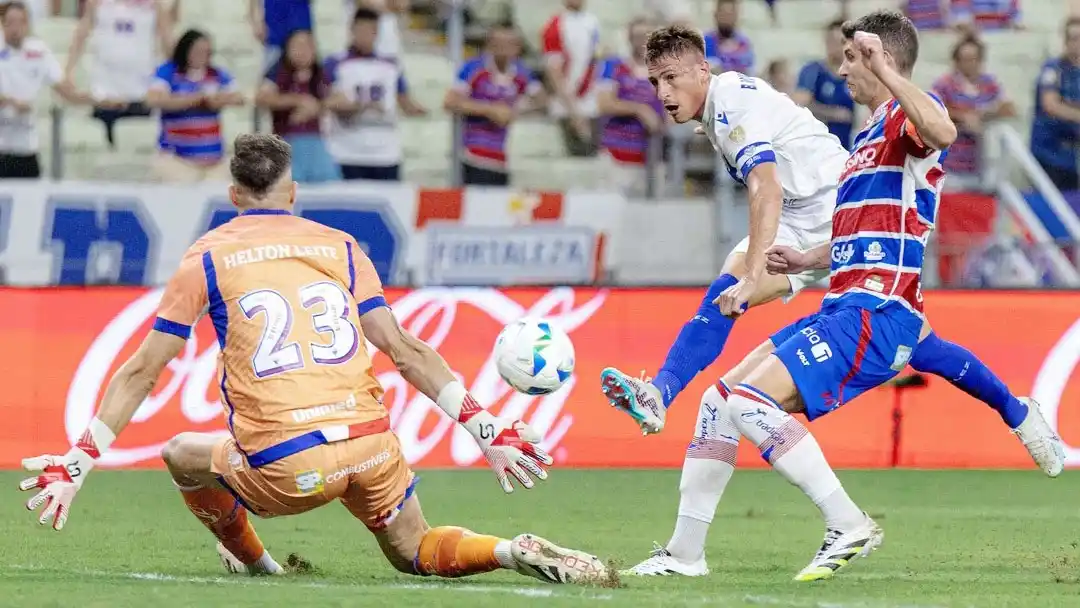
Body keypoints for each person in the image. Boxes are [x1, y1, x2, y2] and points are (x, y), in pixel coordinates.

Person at [17, 133, 609, 586]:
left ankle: (256, 565)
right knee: (414, 551)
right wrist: (489, 430)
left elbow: (143, 371)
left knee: (179, 454)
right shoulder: (342, 247)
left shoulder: (205, 258)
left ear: (232, 197)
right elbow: (405, 351)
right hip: (372, 446)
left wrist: (79, 461)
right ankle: (509, 550)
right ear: (293, 193)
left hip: (288, 467)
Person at [602, 17, 1065, 579]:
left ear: (880, 60)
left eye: (852, 57)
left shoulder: (906, 116)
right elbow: (855, 232)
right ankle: (684, 555)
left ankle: (847, 522)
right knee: (721, 403)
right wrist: (805, 260)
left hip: (876, 309)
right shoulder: (865, 142)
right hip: (850, 301)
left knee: (752, 400)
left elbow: (943, 133)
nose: (840, 68)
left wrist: (889, 72)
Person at [324, 7, 426, 182]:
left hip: (385, 152)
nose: (366, 36)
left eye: (371, 31)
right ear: (351, 30)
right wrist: (358, 106)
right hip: (347, 151)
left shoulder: (391, 64)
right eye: (361, 30)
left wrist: (421, 109)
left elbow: (403, 100)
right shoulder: (335, 63)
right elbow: (326, 101)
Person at [0, 1, 94, 179]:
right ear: (2, 23)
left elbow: (63, 87)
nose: (16, 28)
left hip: (27, 146)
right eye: (10, 22)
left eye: (21, 22)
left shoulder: (38, 51)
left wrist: (94, 99)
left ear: (28, 24)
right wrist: (10, 101)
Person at [63, 0, 175, 147]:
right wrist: (68, 70)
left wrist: (175, 77)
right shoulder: (97, 3)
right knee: (104, 154)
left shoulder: (154, 5)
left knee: (136, 153)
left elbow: (168, 42)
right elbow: (80, 35)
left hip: (140, 93)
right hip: (105, 94)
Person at [444, 24, 543, 187]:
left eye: (509, 44)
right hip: (473, 156)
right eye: (498, 44)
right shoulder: (474, 68)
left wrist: (516, 110)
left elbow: (541, 101)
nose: (503, 49)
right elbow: (450, 102)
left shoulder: (521, 73)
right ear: (489, 45)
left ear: (517, 48)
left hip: (502, 157)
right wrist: (489, 110)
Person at [147, 29, 245, 182]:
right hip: (177, 159)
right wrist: (195, 100)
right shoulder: (168, 72)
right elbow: (154, 100)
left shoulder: (216, 74)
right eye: (197, 51)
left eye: (207, 52)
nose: (202, 56)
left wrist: (218, 100)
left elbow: (239, 98)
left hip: (213, 161)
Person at [255, 29, 341, 183]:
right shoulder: (277, 74)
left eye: (307, 46)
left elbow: (341, 99)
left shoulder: (322, 74)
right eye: (297, 46)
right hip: (286, 145)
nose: (303, 51)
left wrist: (317, 106)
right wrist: (297, 100)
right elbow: (262, 98)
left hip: (317, 145)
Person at [931, 35, 1015, 186]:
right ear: (957, 61)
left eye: (975, 58)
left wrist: (984, 114)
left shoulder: (989, 83)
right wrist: (962, 117)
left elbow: (1009, 108)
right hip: (951, 167)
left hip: (980, 164)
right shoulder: (944, 84)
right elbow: (932, 110)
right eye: (966, 59)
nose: (971, 64)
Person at [596, 16, 665, 197]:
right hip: (616, 157)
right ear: (629, 38)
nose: (643, 41)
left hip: (650, 159)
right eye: (638, 36)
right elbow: (604, 103)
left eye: (647, 36)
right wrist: (639, 110)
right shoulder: (614, 66)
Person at [1030, 18, 1080, 191]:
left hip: (1072, 156)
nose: (1077, 43)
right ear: (1065, 41)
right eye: (1073, 38)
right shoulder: (1053, 68)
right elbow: (1050, 105)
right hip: (1049, 152)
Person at [792, 19, 855, 149]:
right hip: (816, 150)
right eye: (831, 40)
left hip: (846, 151)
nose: (834, 46)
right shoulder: (813, 71)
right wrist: (832, 113)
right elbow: (798, 107)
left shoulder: (855, 75)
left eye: (839, 42)